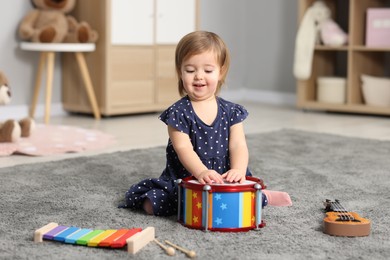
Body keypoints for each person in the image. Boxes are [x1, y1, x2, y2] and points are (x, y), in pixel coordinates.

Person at [121, 31, 291, 216]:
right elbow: (183, 148)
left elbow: (238, 145)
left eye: (208, 71)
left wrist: (238, 170)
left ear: (221, 71)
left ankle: (264, 196)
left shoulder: (231, 111)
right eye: (190, 70)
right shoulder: (178, 113)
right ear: (180, 71)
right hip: (187, 178)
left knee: (239, 200)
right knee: (154, 204)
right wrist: (201, 172)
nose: (199, 77)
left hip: (225, 177)